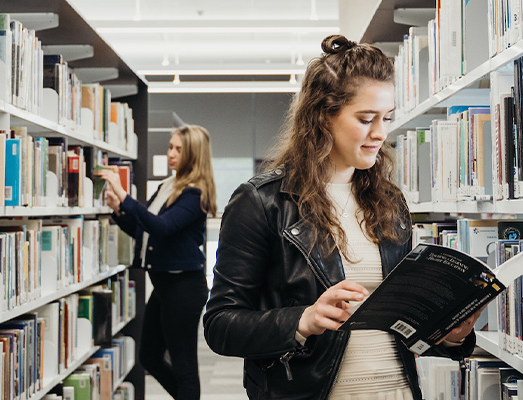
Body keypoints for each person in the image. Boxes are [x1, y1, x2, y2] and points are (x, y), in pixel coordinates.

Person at [203, 34, 479, 399]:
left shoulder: (390, 202)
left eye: (387, 118)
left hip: (397, 391)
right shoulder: (262, 202)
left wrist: (448, 333)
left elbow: (403, 323)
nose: (380, 133)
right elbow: (221, 324)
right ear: (322, 116)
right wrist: (303, 320)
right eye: (366, 119)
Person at [96, 124, 216, 400]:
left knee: (184, 366)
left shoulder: (195, 193)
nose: (171, 153)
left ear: (194, 154)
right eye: (170, 147)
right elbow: (144, 232)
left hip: (183, 287)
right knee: (149, 356)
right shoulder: (168, 186)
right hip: (164, 285)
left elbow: (162, 227)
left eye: (178, 149)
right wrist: (119, 209)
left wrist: (126, 197)